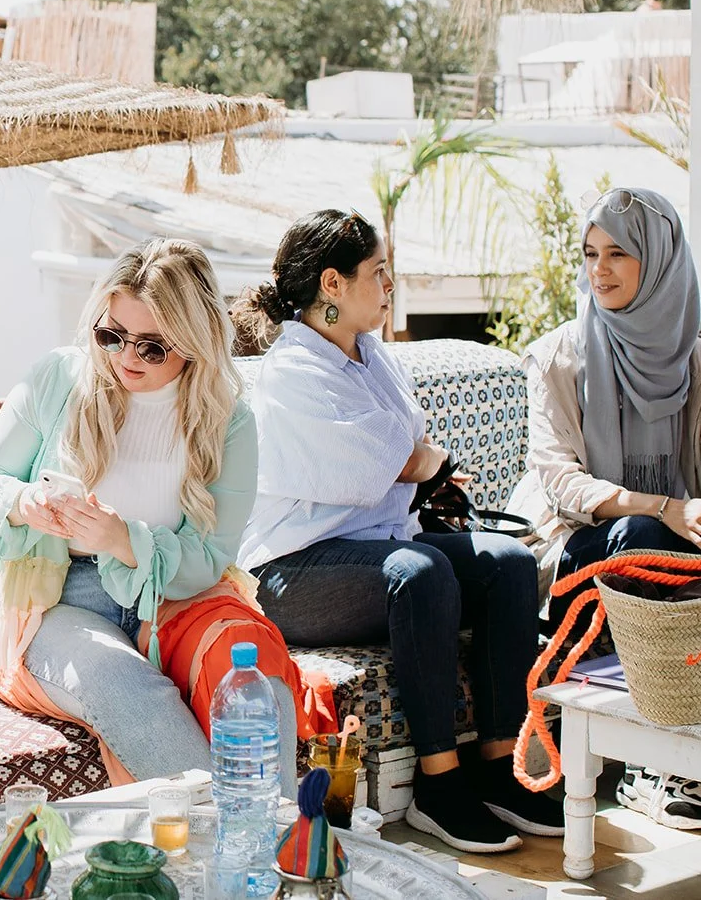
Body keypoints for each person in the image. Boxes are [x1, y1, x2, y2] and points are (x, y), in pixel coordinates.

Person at [234, 209, 562, 855]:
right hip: (292, 571)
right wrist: (421, 463)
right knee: (420, 571)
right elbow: (389, 461)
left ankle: (498, 766)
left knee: (509, 562)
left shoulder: (373, 355)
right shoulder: (290, 373)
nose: (389, 284)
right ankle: (439, 785)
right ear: (333, 283)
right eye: (378, 271)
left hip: (376, 547)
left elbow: (403, 455)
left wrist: (421, 465)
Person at [0, 237, 299, 786]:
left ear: (193, 342)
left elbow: (210, 557)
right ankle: (246, 826)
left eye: (152, 348)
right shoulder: (58, 379)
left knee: (250, 663)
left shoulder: (228, 421)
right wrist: (24, 504)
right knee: (119, 677)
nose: (125, 358)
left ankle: (270, 828)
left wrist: (123, 540)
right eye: (112, 335)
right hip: (55, 599)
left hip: (175, 595)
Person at [510, 186, 701, 830]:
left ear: (660, 263)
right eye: (590, 253)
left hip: (662, 535)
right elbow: (563, 483)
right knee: (639, 532)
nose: (599, 269)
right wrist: (671, 507)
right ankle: (650, 765)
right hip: (577, 546)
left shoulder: (692, 358)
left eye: (618, 253)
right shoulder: (558, 355)